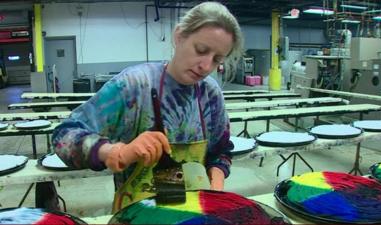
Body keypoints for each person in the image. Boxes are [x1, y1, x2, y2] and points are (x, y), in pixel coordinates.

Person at [52, 1, 243, 194]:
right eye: (201, 50)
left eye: (217, 59)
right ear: (179, 36)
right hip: (135, 211)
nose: (206, 66)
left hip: (196, 209)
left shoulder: (210, 93)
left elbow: (220, 151)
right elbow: (63, 136)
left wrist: (217, 185)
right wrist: (116, 152)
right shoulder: (134, 85)